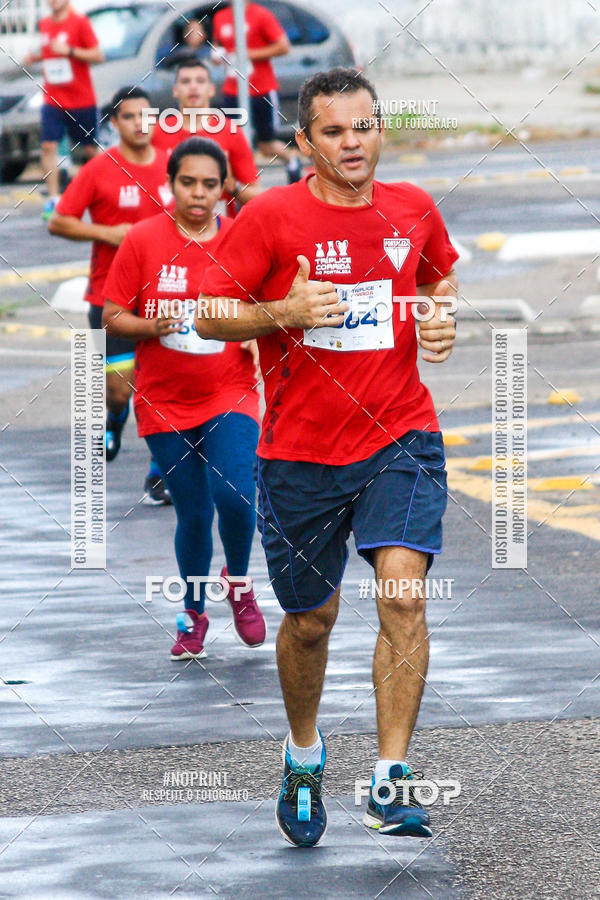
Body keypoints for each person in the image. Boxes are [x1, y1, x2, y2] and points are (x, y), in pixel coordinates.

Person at [196, 67, 458, 847]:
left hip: (400, 436)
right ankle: (303, 755)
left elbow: (439, 278)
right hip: (300, 454)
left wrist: (439, 323)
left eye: (366, 126)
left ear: (382, 128)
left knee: (403, 596)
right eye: (335, 132)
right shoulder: (271, 217)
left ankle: (388, 781)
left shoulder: (412, 209)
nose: (354, 143)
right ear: (305, 142)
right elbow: (208, 314)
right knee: (312, 620)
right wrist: (282, 310)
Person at [102, 137, 265, 658]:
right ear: (170, 185)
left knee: (236, 494)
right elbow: (112, 316)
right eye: (188, 182)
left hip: (229, 391)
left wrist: (248, 326)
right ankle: (192, 613)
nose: (198, 194)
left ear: (224, 189)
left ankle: (237, 583)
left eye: (210, 185)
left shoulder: (245, 239)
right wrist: (153, 324)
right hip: (164, 401)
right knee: (193, 514)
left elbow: (271, 308)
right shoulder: (143, 240)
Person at [48, 86, 174, 504]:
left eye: (147, 115)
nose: (141, 124)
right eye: (130, 117)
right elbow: (59, 221)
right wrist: (108, 233)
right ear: (114, 123)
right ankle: (115, 418)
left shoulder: (175, 167)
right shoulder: (100, 169)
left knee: (164, 388)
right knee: (122, 387)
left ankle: (160, 473)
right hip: (111, 298)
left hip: (168, 295)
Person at [24, 0, 104, 220]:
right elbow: (48, 52)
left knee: (89, 151)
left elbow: (97, 55)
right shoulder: (45, 24)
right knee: (48, 146)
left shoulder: (80, 22)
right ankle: (53, 199)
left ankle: (102, 193)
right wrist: (34, 58)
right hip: (53, 98)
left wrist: (69, 50)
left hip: (81, 99)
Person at [152, 58, 261, 217]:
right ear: (175, 90)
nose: (193, 86)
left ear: (211, 89)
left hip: (218, 229)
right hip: (169, 226)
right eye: (186, 81)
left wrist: (234, 187)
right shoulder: (157, 132)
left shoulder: (230, 130)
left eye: (200, 81)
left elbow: (257, 196)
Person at [211, 0, 302, 183]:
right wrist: (218, 55)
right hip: (232, 90)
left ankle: (292, 161)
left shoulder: (260, 14)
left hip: (261, 89)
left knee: (266, 144)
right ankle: (243, 186)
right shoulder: (220, 17)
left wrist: (247, 54)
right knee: (233, 141)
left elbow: (283, 46)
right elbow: (217, 46)